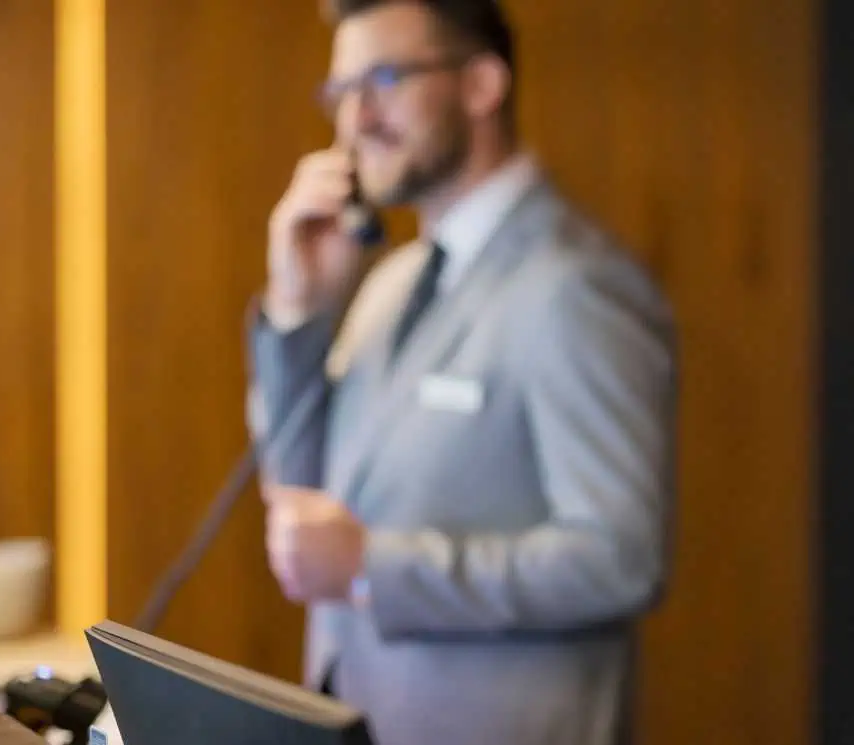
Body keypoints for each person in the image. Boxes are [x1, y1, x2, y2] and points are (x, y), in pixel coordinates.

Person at [245, 0, 677, 743]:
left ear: (481, 84)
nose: (355, 119)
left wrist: (372, 566)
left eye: (383, 78)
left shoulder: (573, 285)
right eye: (340, 92)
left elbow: (621, 557)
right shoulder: (387, 281)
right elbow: (298, 490)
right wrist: (296, 309)